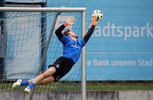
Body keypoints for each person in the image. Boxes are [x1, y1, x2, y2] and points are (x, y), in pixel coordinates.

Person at [12, 15, 100, 93]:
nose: (75, 33)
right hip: (62, 60)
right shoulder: (66, 40)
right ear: (69, 35)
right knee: (46, 74)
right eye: (72, 32)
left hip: (68, 66)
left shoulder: (80, 43)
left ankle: (21, 82)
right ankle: (29, 87)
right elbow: (57, 32)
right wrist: (65, 24)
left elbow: (88, 34)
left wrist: (94, 23)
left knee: (44, 82)